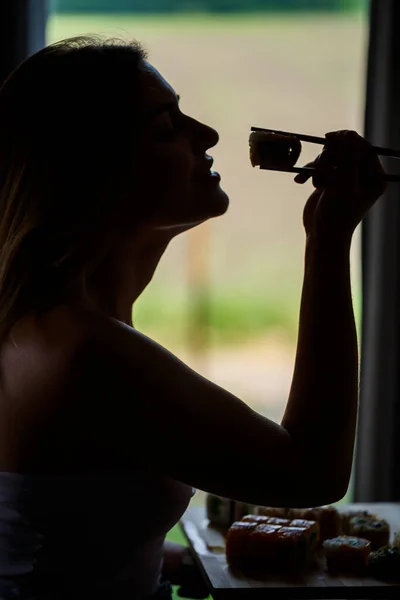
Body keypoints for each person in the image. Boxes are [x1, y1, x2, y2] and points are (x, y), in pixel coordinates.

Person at [0, 35, 386, 600]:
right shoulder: (86, 352)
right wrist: (327, 242)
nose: (207, 135)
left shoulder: (41, 323)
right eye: (166, 128)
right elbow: (313, 472)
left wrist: (179, 560)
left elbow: (60, 527)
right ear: (90, 172)